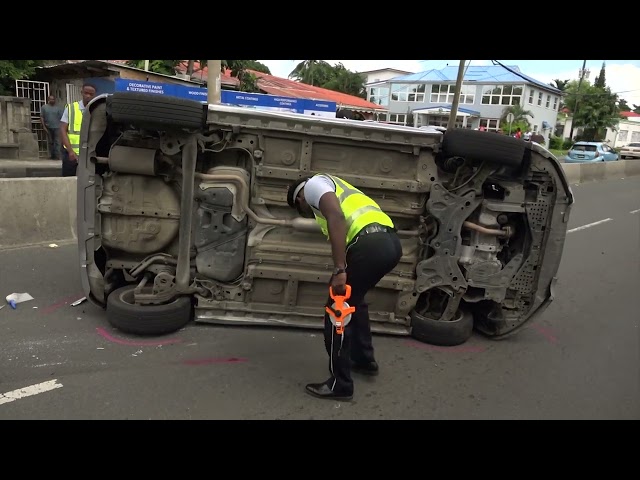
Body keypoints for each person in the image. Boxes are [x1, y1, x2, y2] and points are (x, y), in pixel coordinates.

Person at [287, 173, 403, 401]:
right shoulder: (339, 186)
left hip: (369, 244)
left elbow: (336, 217)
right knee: (354, 300)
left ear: (299, 198)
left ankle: (340, 384)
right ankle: (364, 359)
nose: (307, 213)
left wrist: (340, 269)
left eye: (301, 209)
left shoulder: (312, 186)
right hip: (389, 244)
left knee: (337, 309)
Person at [59, 83, 97, 177]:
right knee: (68, 180)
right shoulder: (71, 108)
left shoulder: (97, 111)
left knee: (88, 180)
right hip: (71, 153)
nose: (88, 96)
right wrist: (70, 151)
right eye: (86, 93)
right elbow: (63, 130)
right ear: (81, 93)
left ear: (94, 95)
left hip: (89, 154)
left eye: (91, 94)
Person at [40, 95, 64, 160]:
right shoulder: (44, 107)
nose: (52, 100)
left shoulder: (59, 108)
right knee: (50, 142)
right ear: (48, 100)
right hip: (48, 127)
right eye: (51, 99)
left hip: (57, 127)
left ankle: (57, 156)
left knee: (57, 142)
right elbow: (42, 117)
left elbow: (62, 118)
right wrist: (44, 126)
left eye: (53, 99)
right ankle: (52, 155)